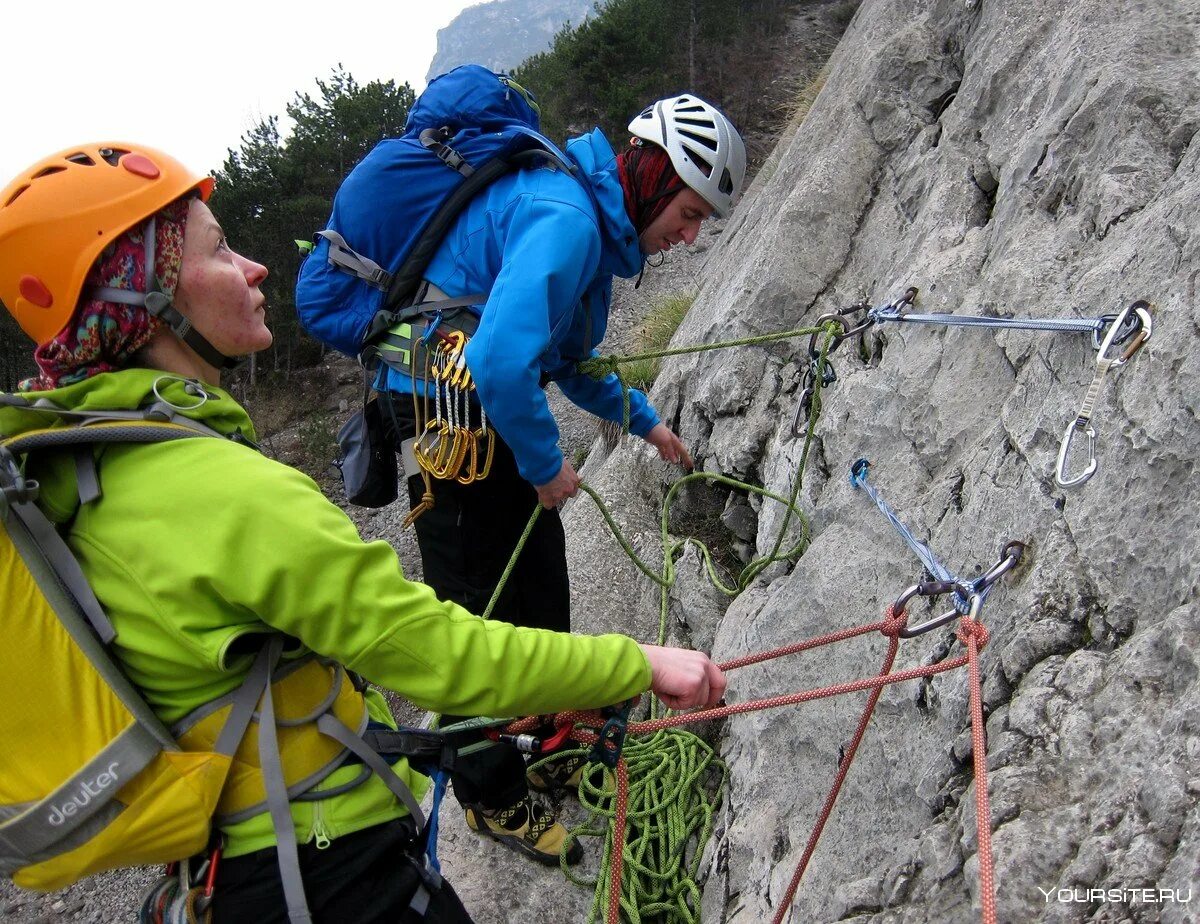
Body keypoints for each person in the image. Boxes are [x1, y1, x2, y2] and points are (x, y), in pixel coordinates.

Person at [0, 141, 728, 923]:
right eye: (219, 250)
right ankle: (500, 790)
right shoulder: (218, 492)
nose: (256, 269)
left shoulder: (75, 471)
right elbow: (438, 654)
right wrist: (639, 665)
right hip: (332, 865)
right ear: (144, 297)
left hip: (226, 860)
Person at [373, 93, 747, 861]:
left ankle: (547, 732)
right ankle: (488, 792)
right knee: (473, 612)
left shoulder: (594, 236)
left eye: (701, 219)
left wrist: (644, 420)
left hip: (482, 417)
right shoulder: (568, 218)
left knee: (541, 577)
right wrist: (547, 466)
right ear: (650, 174)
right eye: (688, 210)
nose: (689, 234)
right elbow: (501, 359)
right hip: (443, 424)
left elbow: (567, 362)